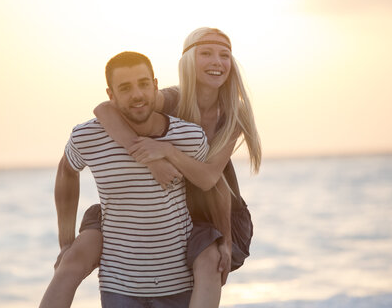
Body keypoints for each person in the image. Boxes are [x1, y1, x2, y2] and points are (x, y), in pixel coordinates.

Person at [95, 27, 262, 306]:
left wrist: (167, 151)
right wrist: (146, 157)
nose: (217, 62)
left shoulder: (235, 112)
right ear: (188, 60)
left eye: (225, 55)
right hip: (171, 206)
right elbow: (103, 109)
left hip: (217, 210)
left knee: (210, 263)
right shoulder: (173, 98)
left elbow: (210, 179)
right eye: (206, 53)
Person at [40, 51, 209, 307]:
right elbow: (66, 170)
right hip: (119, 285)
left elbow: (211, 186)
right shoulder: (88, 136)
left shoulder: (189, 137)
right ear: (111, 95)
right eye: (125, 88)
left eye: (143, 84)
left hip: (178, 282)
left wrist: (223, 242)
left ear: (155, 85)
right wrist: (66, 243)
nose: (137, 95)